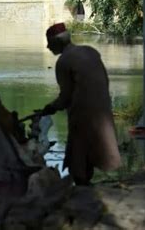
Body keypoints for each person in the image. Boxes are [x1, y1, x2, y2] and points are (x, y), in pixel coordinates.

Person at [41, 23, 121, 185]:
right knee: (91, 151)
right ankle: (86, 185)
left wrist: (50, 108)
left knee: (78, 157)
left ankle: (82, 192)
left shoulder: (63, 62)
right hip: (103, 107)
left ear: (58, 42)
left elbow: (65, 97)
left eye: (49, 43)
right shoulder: (90, 51)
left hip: (82, 111)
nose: (48, 47)